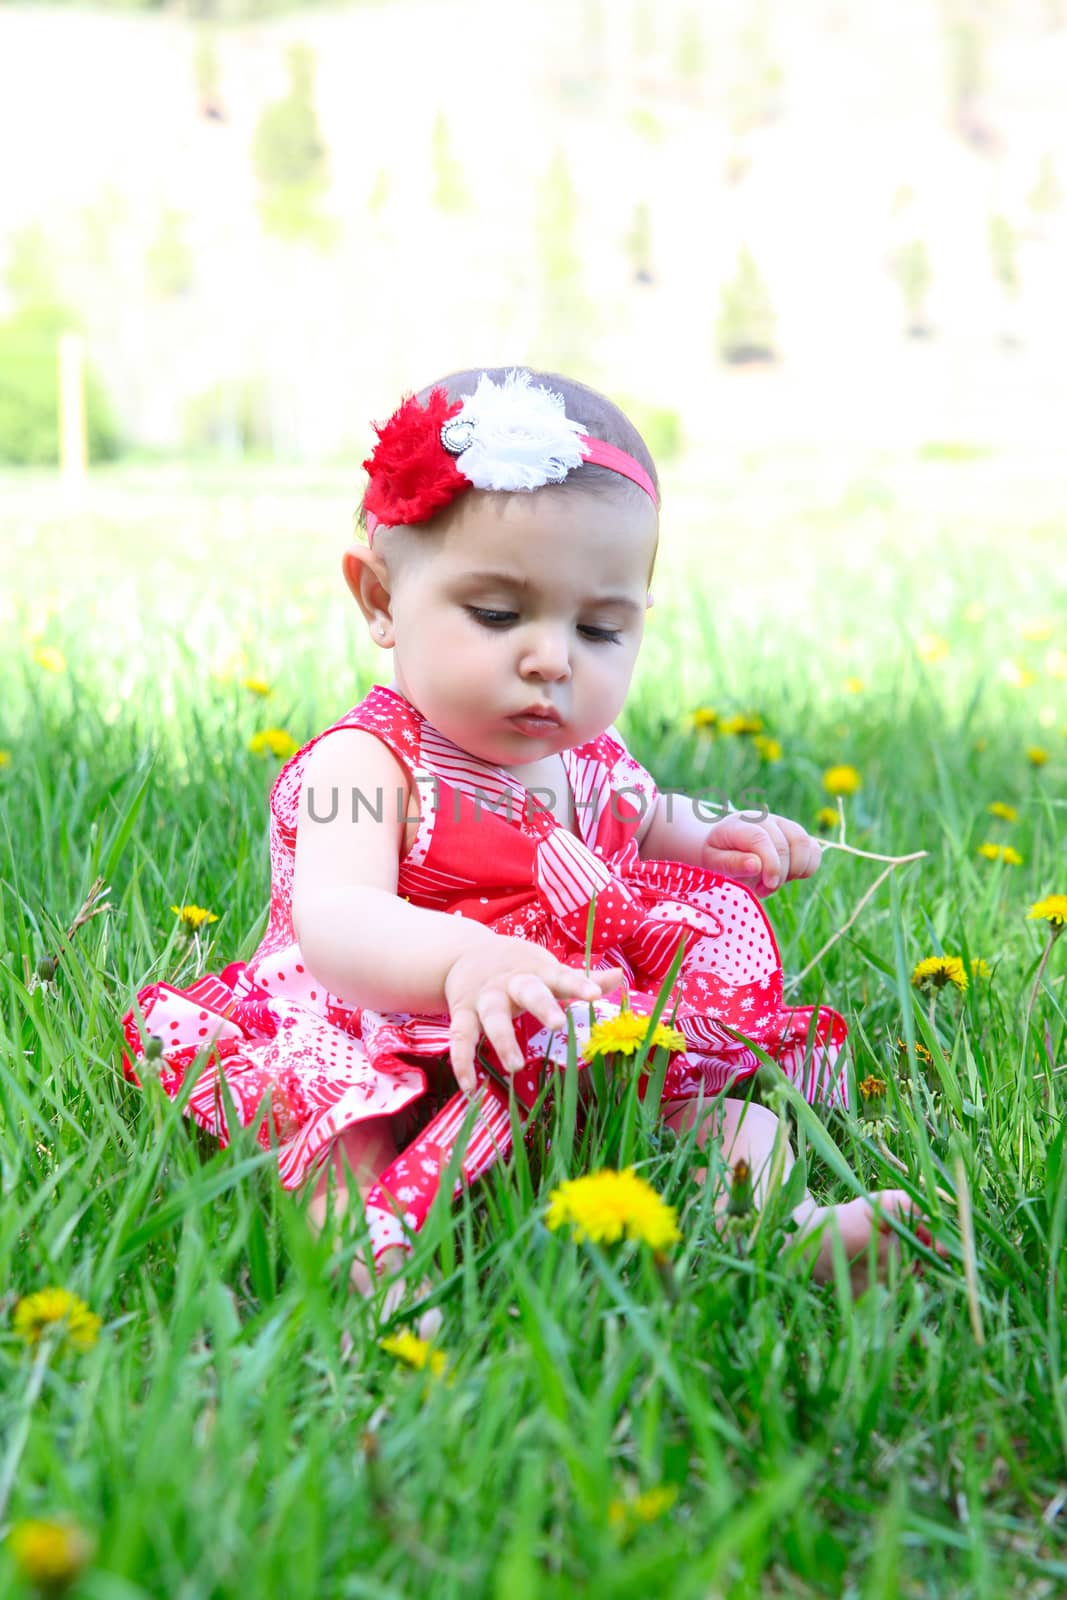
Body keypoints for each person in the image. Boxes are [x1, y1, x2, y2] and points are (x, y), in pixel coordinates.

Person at [123, 367, 934, 1307]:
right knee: (351, 1131)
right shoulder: (368, 763)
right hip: (385, 1020)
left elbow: (640, 817)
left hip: (555, 1019)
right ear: (380, 600)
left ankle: (767, 1228)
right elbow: (336, 919)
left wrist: (722, 831)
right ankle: (363, 1261)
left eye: (598, 628)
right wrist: (465, 959)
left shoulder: (586, 755)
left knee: (721, 1115)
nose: (550, 656)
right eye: (499, 615)